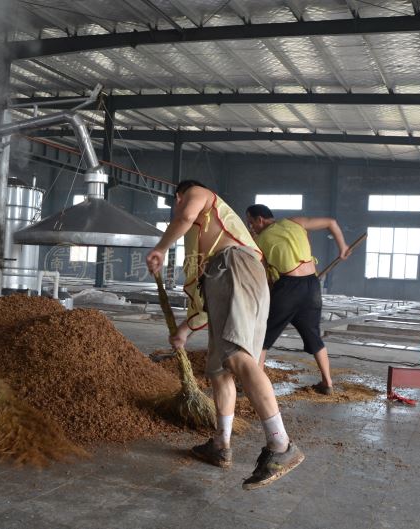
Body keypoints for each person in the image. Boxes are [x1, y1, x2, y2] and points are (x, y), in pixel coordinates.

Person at [146, 180, 304, 490]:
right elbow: (204, 300)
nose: (180, 210)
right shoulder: (202, 243)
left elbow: (184, 216)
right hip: (232, 278)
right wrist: (185, 329)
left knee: (237, 358)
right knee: (220, 370)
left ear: (179, 197)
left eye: (177, 205)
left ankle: (281, 445)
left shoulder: (198, 195)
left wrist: (161, 247)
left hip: (235, 268)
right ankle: (221, 444)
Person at [246, 204, 350, 395]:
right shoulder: (295, 222)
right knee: (314, 336)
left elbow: (264, 274)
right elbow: (331, 222)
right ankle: (327, 383)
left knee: (262, 336)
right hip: (312, 286)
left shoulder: (258, 241)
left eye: (251, 222)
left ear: (260, 220)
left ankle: (255, 387)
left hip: (288, 287)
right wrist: (342, 247)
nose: (251, 227)